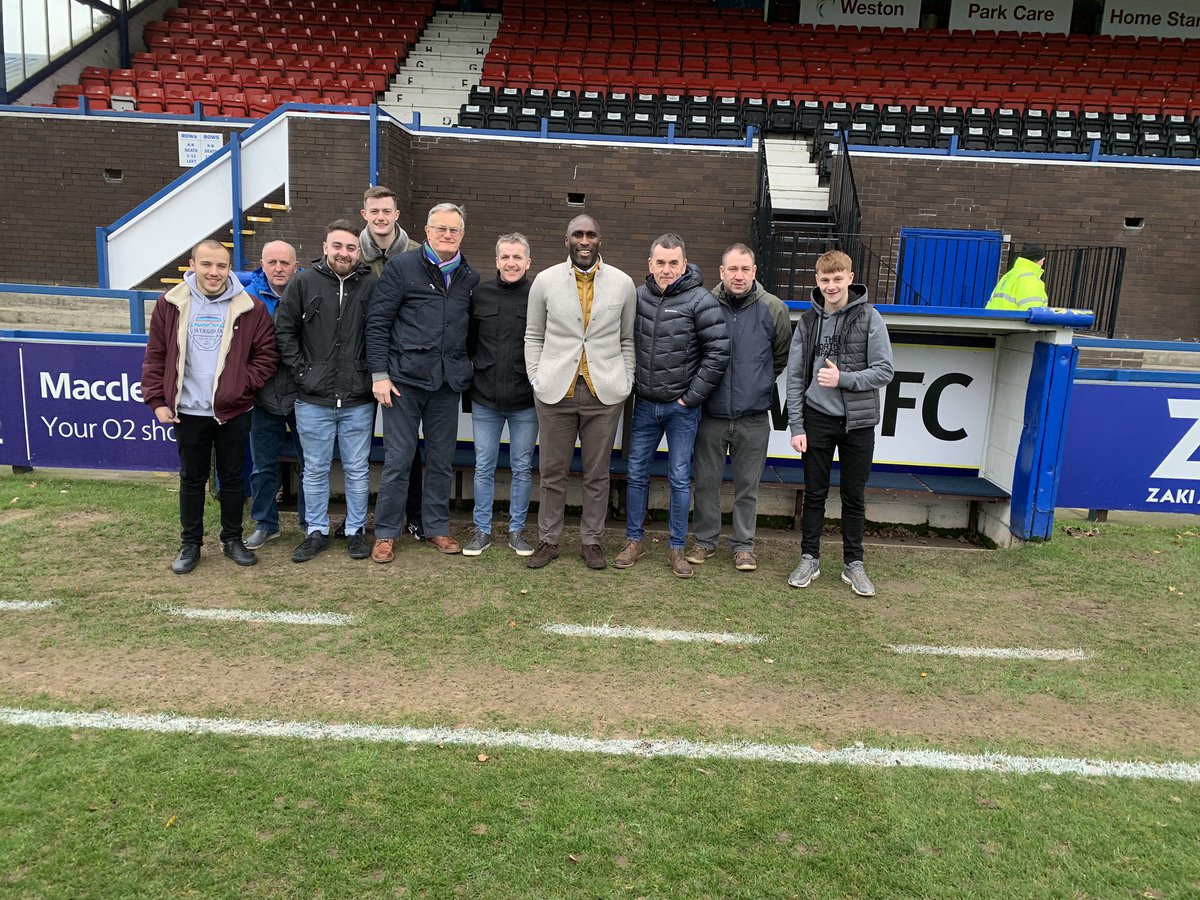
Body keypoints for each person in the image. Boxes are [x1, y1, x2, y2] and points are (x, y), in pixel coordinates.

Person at [141, 240, 278, 574]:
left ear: (230, 267)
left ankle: (232, 539)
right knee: (192, 479)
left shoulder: (250, 306)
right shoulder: (170, 304)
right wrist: (157, 400)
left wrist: (240, 385)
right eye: (207, 265)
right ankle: (190, 543)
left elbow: (266, 356)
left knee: (232, 478)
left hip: (233, 410)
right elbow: (156, 354)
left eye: (221, 266)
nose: (214, 272)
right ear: (192, 264)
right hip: (188, 411)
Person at [367, 202, 480, 561]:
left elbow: (472, 332)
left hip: (447, 384)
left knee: (442, 460)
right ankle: (386, 532)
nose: (447, 235)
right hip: (403, 381)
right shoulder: (402, 268)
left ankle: (436, 528)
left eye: (454, 230)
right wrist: (380, 375)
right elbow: (378, 323)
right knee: (399, 460)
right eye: (441, 229)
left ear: (462, 235)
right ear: (427, 232)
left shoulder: (469, 276)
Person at [524, 214, 636, 570]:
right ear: (566, 239)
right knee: (552, 472)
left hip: (604, 393)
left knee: (597, 474)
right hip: (556, 391)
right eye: (577, 234)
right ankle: (548, 541)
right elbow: (534, 336)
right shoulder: (544, 281)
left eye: (590, 235)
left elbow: (627, 338)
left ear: (600, 239)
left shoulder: (623, 283)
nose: (584, 241)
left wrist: (626, 379)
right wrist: (536, 378)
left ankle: (592, 541)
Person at [614, 234, 729, 579]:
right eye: (660, 263)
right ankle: (634, 541)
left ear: (684, 263)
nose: (666, 269)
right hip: (645, 405)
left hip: (682, 409)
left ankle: (676, 547)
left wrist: (689, 398)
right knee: (636, 474)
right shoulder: (636, 297)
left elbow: (718, 352)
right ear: (650, 264)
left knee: (679, 477)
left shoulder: (701, 300)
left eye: (673, 263)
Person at [786, 249, 894, 597]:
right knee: (814, 494)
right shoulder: (807, 322)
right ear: (816, 282)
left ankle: (853, 564)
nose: (831, 286)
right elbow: (794, 379)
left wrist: (843, 378)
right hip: (816, 418)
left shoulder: (870, 317)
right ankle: (809, 557)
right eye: (824, 279)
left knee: (854, 495)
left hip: (857, 422)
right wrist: (797, 427)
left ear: (850, 278)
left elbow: (884, 371)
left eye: (837, 278)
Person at [274, 220, 378, 563]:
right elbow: (285, 331)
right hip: (313, 398)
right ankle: (315, 530)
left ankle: (355, 530)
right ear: (325, 247)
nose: (343, 253)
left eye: (350, 248)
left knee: (357, 468)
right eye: (338, 246)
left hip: (358, 398)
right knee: (315, 468)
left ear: (358, 251)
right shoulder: (304, 282)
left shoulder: (370, 284)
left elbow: (379, 332)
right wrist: (303, 372)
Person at [686, 243, 791, 573]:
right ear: (721, 272)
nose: (739, 275)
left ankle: (744, 546)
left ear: (754, 271)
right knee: (705, 483)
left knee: (748, 487)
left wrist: (756, 384)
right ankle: (705, 541)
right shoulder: (704, 304)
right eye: (732, 269)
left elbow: (779, 358)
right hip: (711, 414)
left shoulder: (774, 308)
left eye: (745, 269)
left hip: (753, 416)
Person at [463, 233, 538, 557]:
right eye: (505, 257)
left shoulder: (538, 296)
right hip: (485, 399)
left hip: (525, 401)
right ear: (496, 261)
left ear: (528, 262)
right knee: (484, 466)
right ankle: (481, 530)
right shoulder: (478, 295)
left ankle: (516, 531)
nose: (511, 263)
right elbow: (469, 342)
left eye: (517, 257)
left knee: (521, 468)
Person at [358, 186, 424, 541]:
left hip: (403, 368)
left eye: (387, 210)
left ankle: (413, 517)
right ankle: (354, 519)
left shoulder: (419, 255)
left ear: (397, 214)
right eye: (374, 211)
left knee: (405, 450)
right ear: (364, 214)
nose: (381, 217)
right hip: (358, 365)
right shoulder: (353, 255)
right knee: (357, 449)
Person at [239, 240, 307, 550]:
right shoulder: (245, 297)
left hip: (305, 392)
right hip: (262, 393)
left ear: (296, 264)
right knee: (262, 465)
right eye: (272, 262)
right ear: (262, 265)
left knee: (311, 464)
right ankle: (266, 523)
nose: (278, 268)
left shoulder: (310, 290)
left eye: (284, 262)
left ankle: (311, 523)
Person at [985, 244, 1049, 311]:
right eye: (1043, 260)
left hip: (996, 319)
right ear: (1036, 260)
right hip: (1014, 320)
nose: (1042, 264)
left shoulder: (1010, 274)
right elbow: (1032, 310)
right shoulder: (1029, 279)